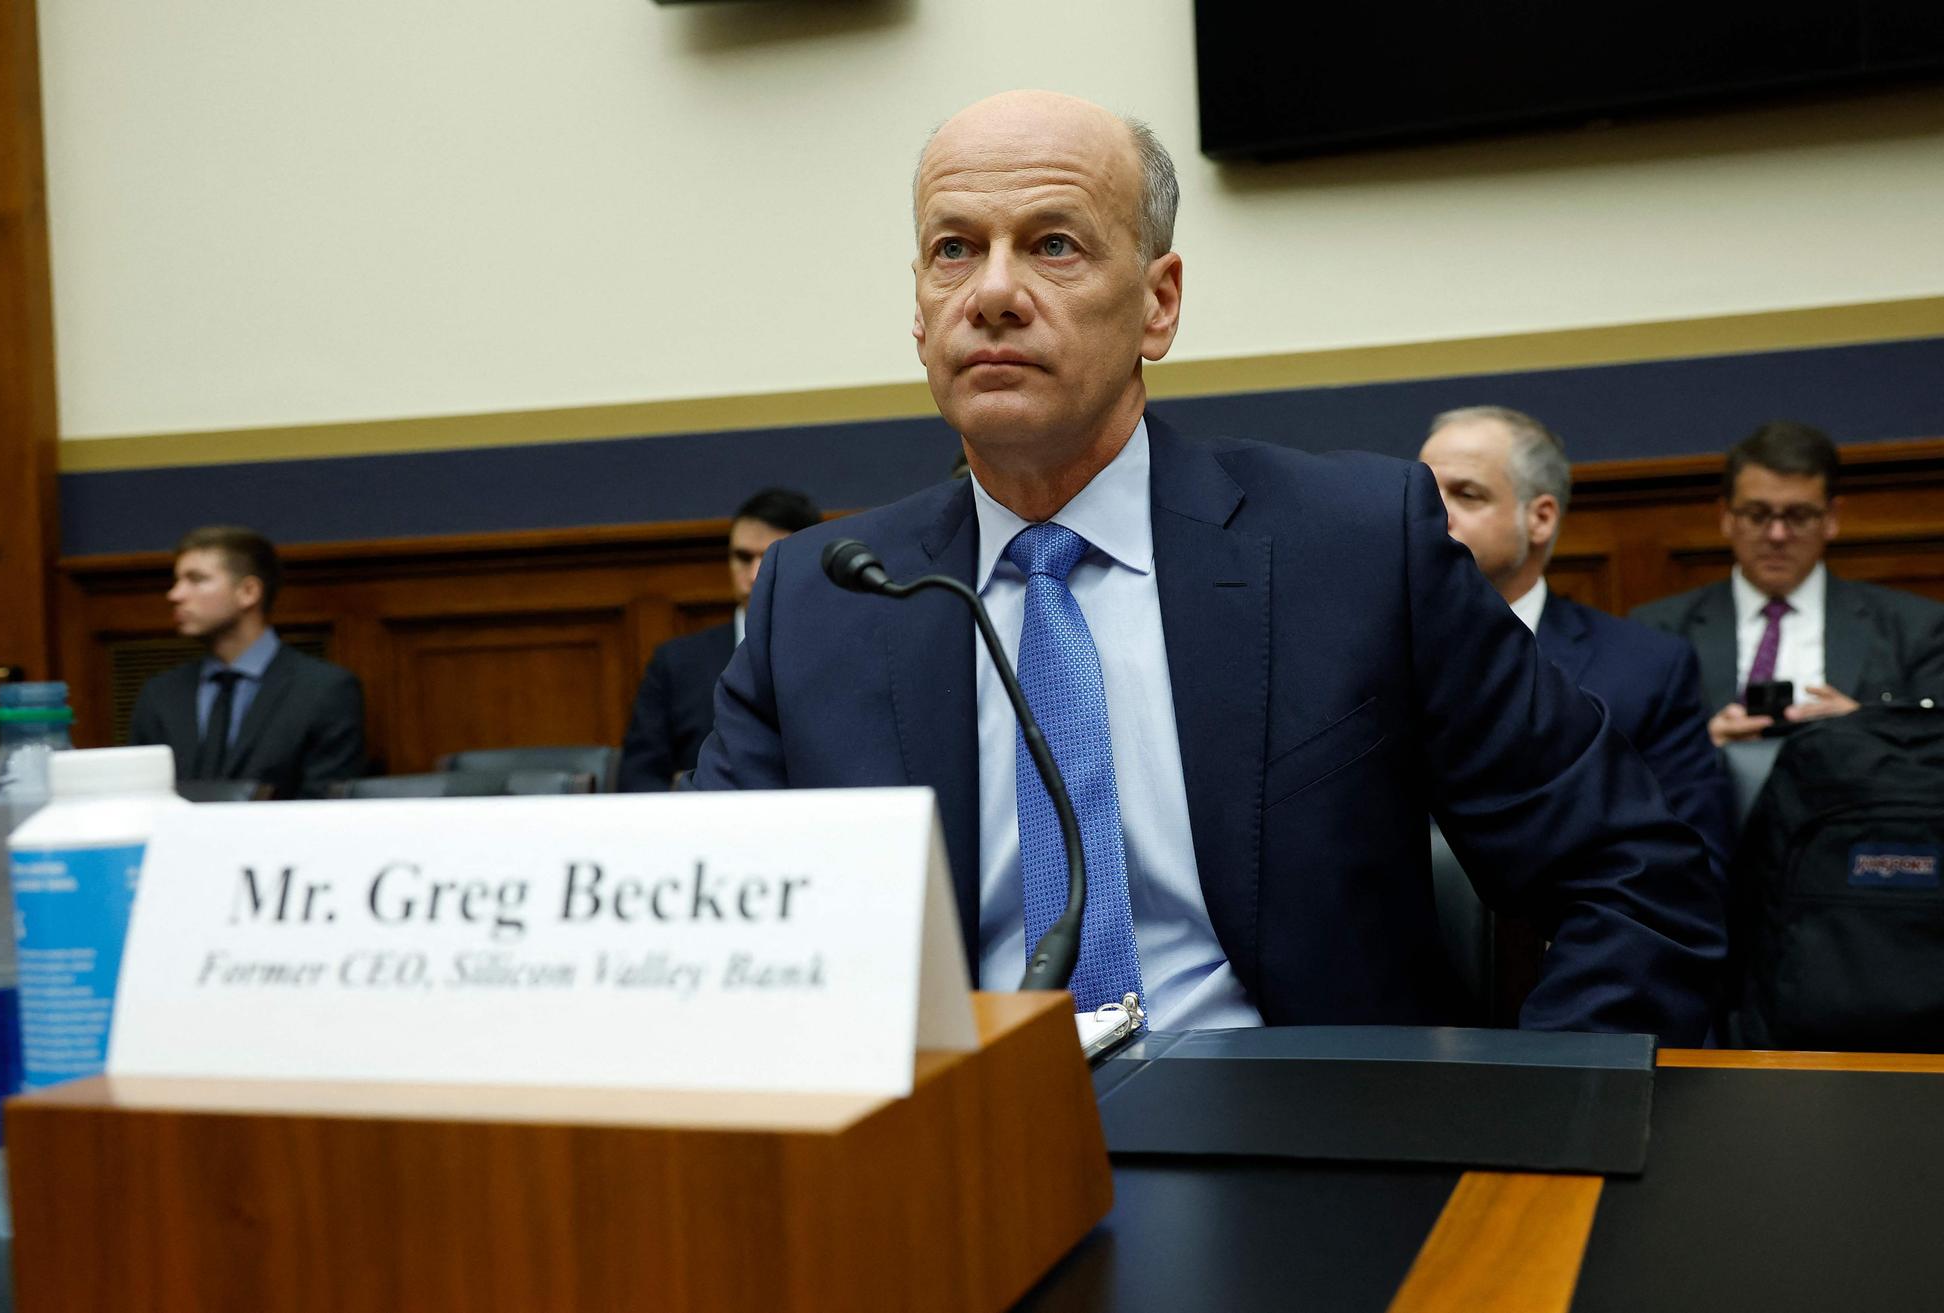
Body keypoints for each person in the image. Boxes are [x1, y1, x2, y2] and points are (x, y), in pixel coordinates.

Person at [693, 90, 1723, 1042]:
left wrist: (1527, 1142)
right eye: (953, 249)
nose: (994, 292)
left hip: (1297, 1143)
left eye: (1053, 245)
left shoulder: (1356, 548)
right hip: (953, 1145)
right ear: (919, 311)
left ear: (1158, 303)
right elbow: (707, 946)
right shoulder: (820, 600)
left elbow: (1635, 874)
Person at [1419, 405, 1733, 883]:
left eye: (1467, 495)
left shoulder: (1646, 670)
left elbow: (1687, 868)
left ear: (1540, 518)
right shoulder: (1354, 655)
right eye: (1424, 494)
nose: (1432, 516)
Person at [1630, 422, 1944, 746]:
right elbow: (1630, 751)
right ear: (1726, 516)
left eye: (1799, 516)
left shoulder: (1914, 629)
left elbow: (1933, 752)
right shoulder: (1658, 630)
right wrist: (1701, 747)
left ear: (1831, 518)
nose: (1777, 535)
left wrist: (1866, 729)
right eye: (1757, 515)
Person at [128, 525, 364, 797]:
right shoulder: (160, 694)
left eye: (196, 579)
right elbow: (141, 797)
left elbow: (326, 804)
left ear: (248, 592)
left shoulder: (324, 690)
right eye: (177, 581)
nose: (175, 595)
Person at [617, 488, 822, 791]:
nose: (754, 575)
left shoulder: (837, 654)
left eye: (771, 557)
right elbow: (638, 778)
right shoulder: (677, 663)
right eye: (743, 557)